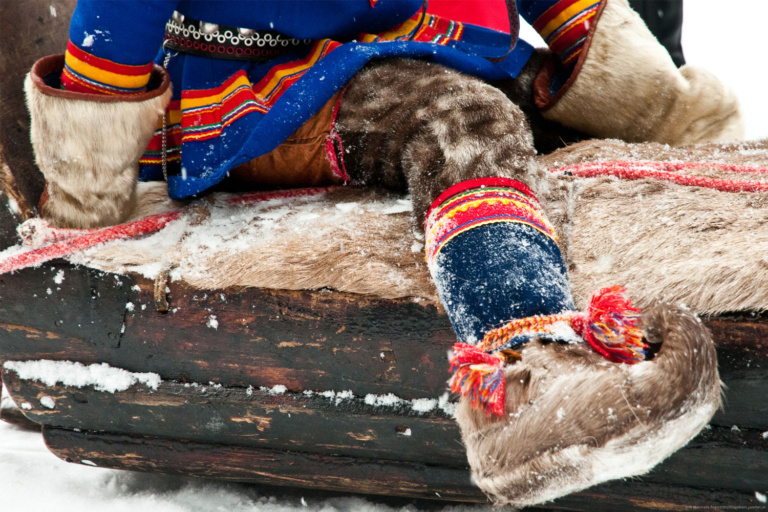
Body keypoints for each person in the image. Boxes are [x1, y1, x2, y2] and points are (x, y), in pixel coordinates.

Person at [24, 0, 736, 506]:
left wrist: (655, 104)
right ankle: (527, 377)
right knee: (464, 124)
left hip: (444, 45)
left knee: (533, 115)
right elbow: (116, 21)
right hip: (272, 88)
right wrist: (93, 188)